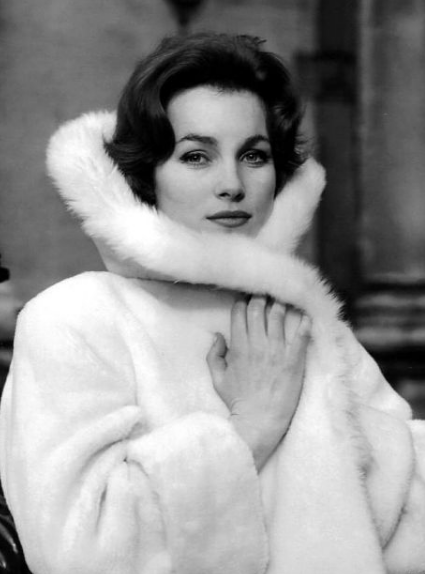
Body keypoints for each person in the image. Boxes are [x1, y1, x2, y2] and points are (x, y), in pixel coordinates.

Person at [0, 32, 424, 574]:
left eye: (254, 155)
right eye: (196, 156)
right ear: (147, 174)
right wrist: (255, 423)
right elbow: (86, 554)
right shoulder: (76, 318)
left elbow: (415, 504)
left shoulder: (294, 318)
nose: (232, 184)